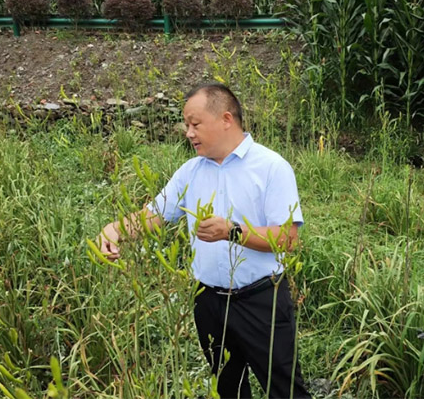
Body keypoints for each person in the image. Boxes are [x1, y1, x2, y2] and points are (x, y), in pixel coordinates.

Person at [96, 82, 311, 399]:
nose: (189, 133)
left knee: (285, 389)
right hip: (208, 302)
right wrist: (113, 229)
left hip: (261, 301)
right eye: (187, 125)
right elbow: (153, 216)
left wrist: (232, 231)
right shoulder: (190, 172)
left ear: (226, 119)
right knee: (227, 388)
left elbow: (287, 238)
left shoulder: (271, 167)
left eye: (195, 124)